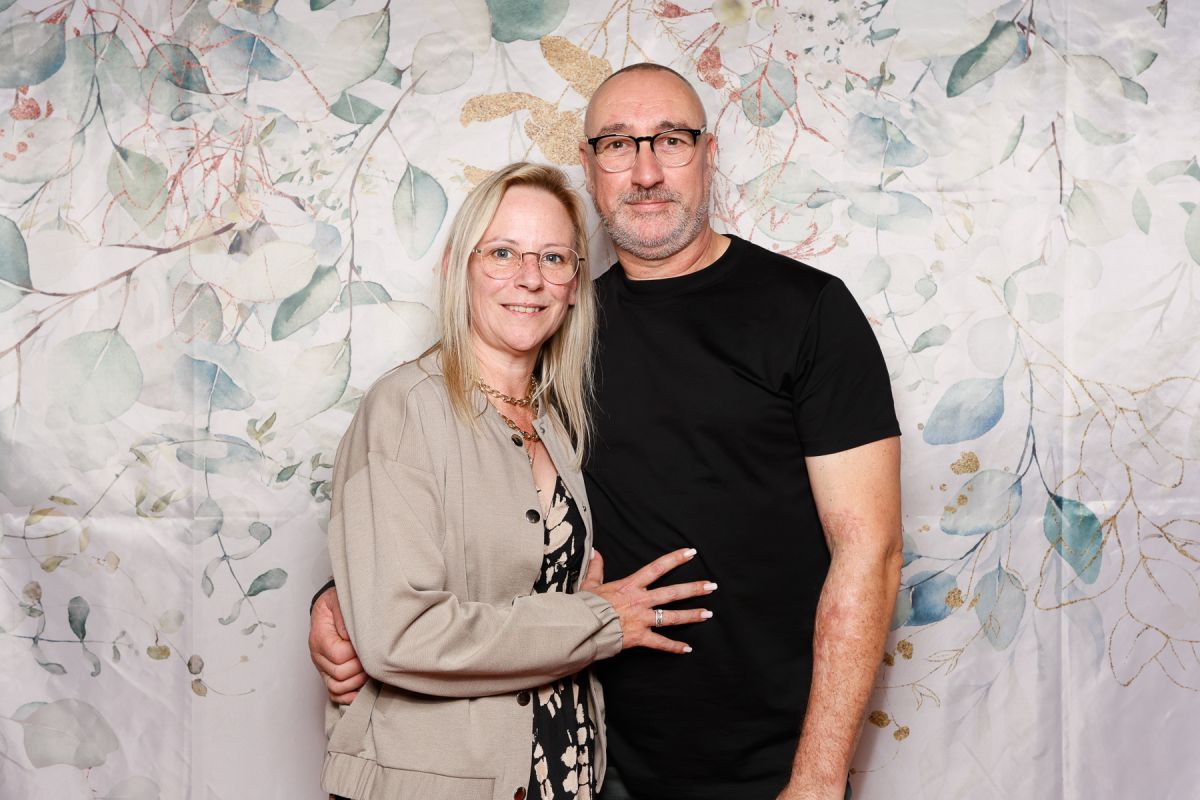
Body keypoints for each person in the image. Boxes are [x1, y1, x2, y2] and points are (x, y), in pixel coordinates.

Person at [312, 65, 902, 800]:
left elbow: (870, 551)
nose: (646, 172)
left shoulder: (808, 311)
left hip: (769, 760)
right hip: (590, 757)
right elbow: (464, 489)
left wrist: (816, 778)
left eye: (671, 141)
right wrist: (344, 595)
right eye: (619, 144)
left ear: (709, 154)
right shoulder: (556, 331)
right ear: (589, 167)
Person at [318, 161, 716, 800]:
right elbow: (400, 635)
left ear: (574, 285)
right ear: (457, 267)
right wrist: (596, 619)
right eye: (503, 252)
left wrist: (577, 598)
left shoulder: (555, 419)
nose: (530, 278)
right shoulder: (406, 408)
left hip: (562, 770)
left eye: (554, 258)